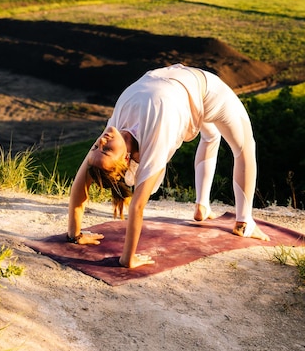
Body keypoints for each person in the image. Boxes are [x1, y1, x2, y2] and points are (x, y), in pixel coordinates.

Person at [67, 63, 270, 268]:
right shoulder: (155, 139)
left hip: (181, 91)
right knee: (245, 147)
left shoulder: (113, 130)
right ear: (126, 159)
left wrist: (75, 235)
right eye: (106, 150)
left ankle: (202, 207)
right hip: (207, 92)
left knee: (211, 136)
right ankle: (244, 223)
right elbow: (137, 206)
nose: (101, 142)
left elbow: (80, 184)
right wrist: (128, 259)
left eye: (96, 147)